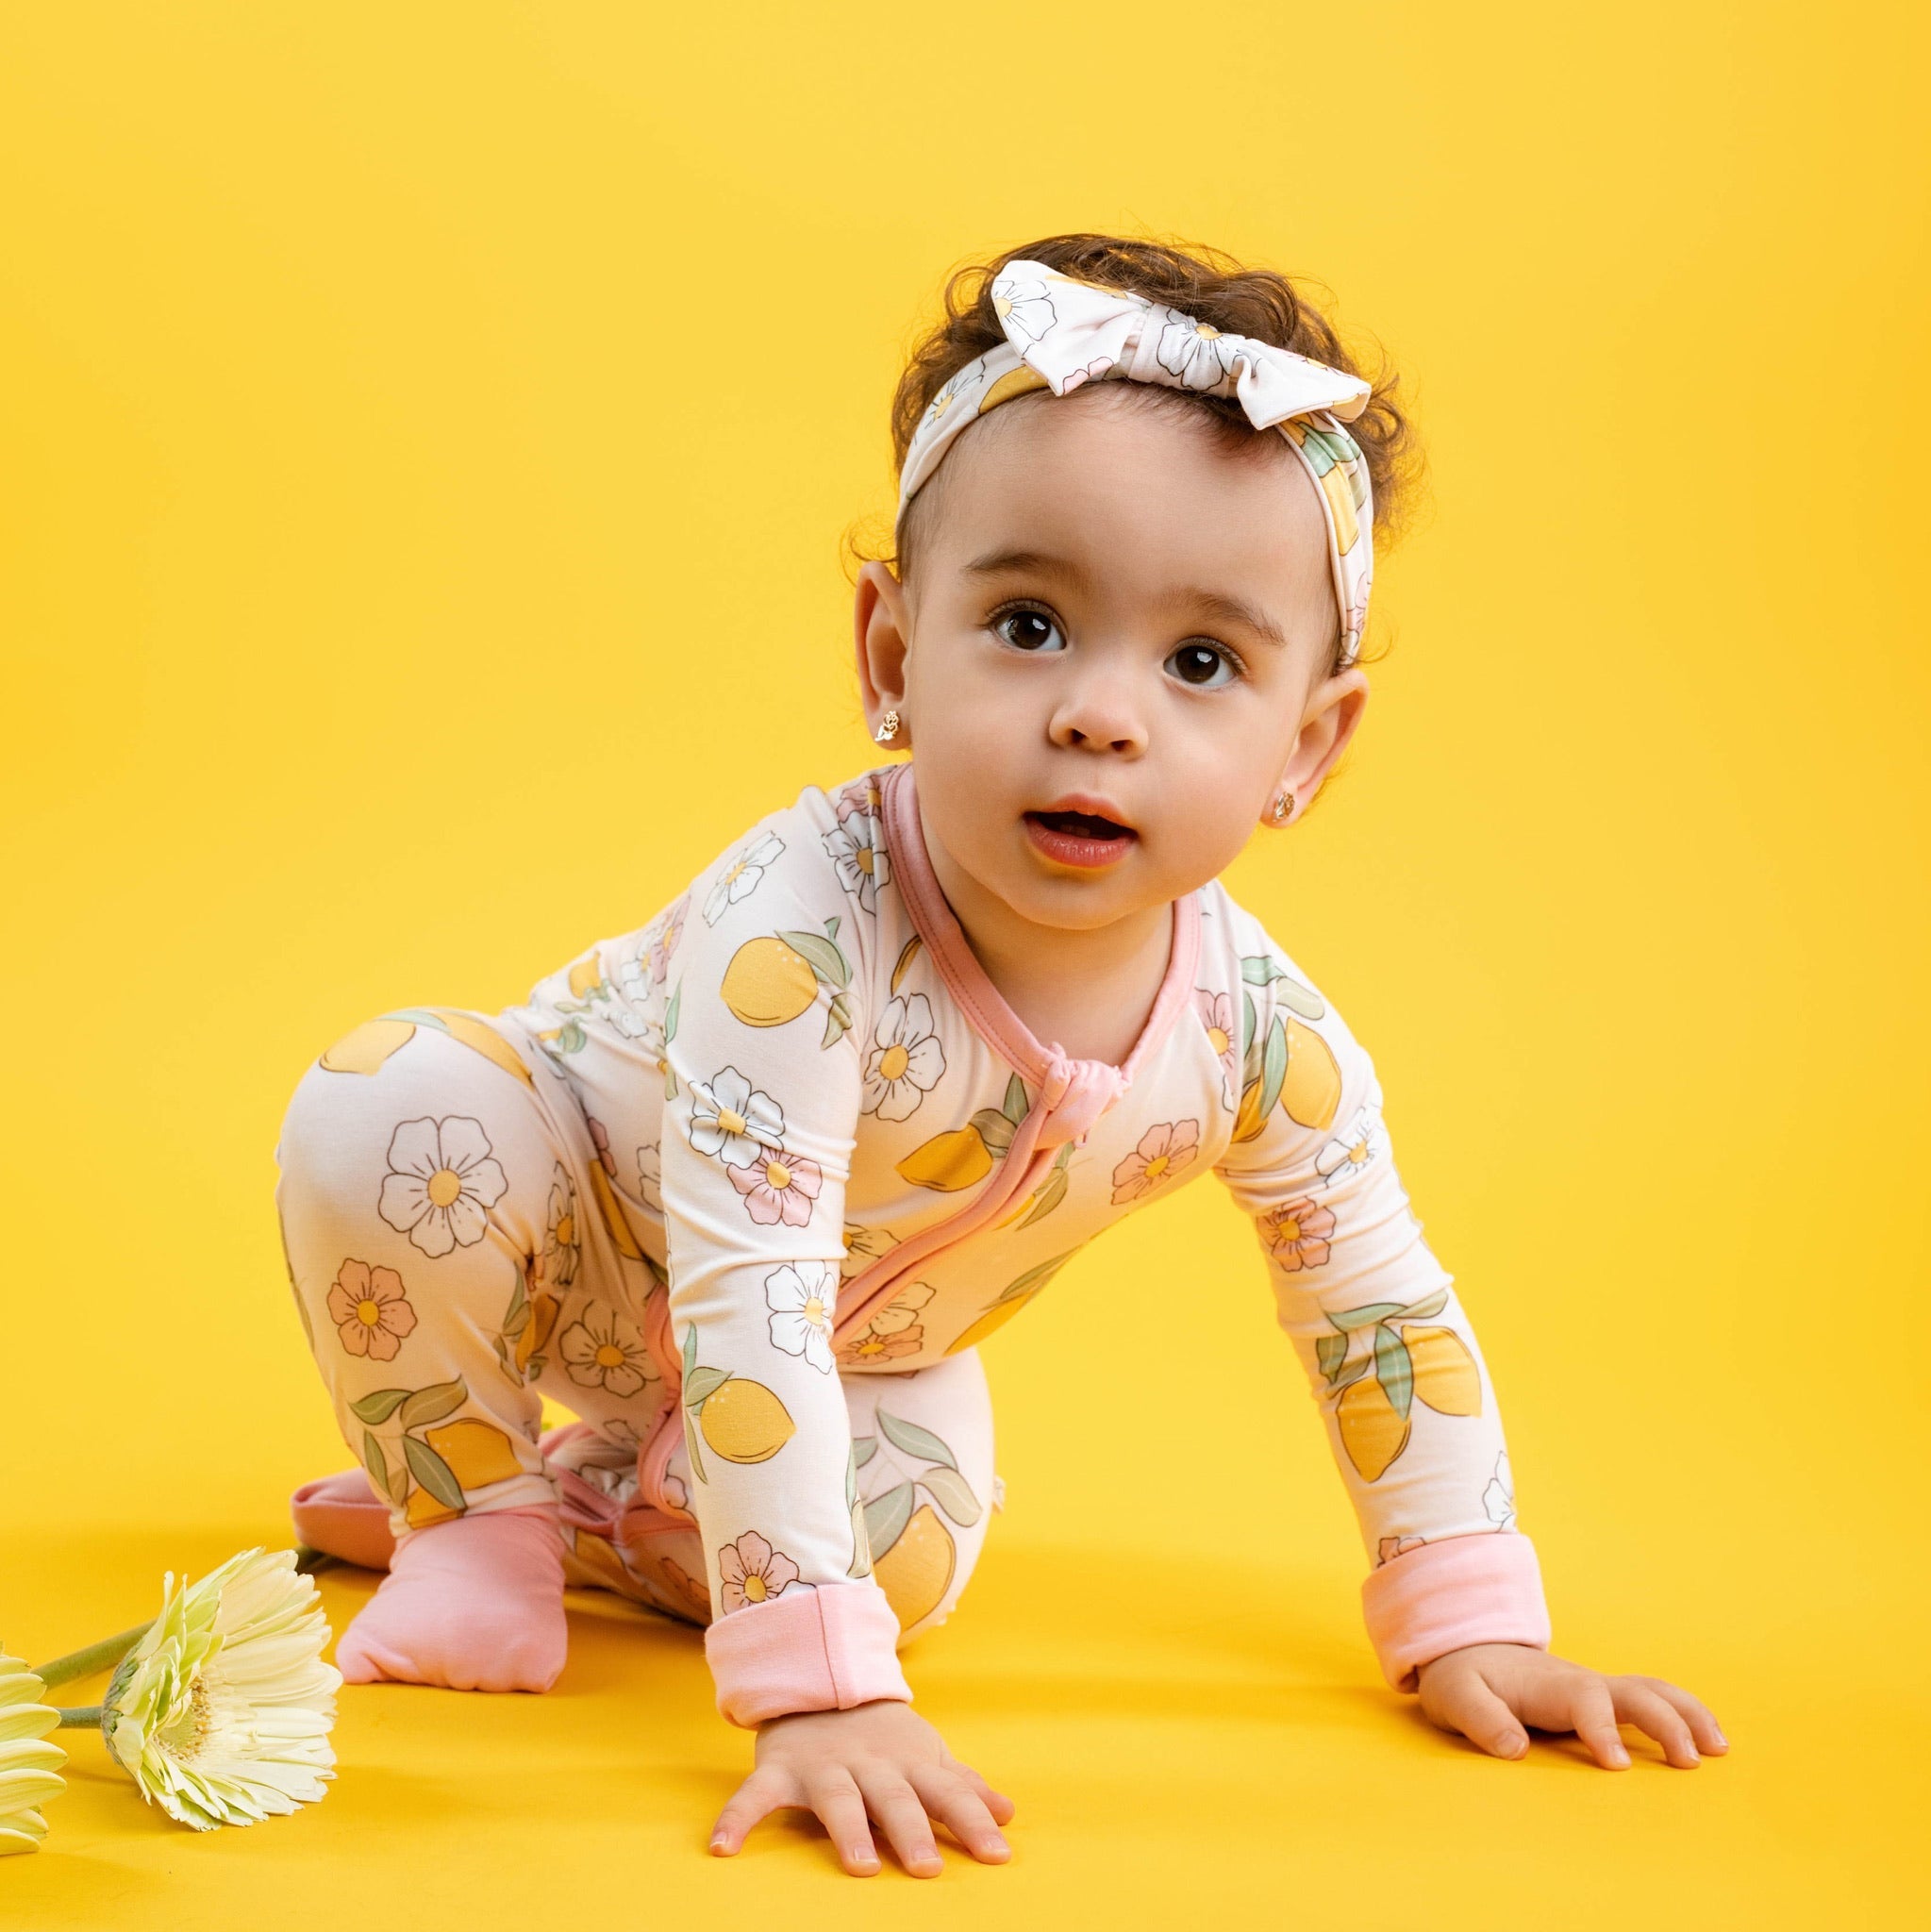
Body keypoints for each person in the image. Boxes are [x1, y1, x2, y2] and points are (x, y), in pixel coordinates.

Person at [274, 232, 1726, 1878]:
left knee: (918, 1551)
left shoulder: (1262, 1038)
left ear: (1305, 746)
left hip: (851, 1352)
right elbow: (747, 1279)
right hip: (582, 1227)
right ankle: (468, 1511)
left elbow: (1378, 1309)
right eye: (1030, 623)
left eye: (1201, 664)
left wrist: (1466, 1613)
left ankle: (608, 1509)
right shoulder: (804, 933)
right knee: (386, 1108)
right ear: (894, 655)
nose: (1103, 715)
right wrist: (814, 1692)